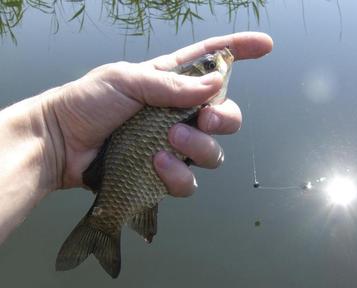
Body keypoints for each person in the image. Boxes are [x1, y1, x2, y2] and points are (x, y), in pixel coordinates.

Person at [0, 32, 273, 244]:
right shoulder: (180, 95)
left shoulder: (194, 102)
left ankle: (122, 214)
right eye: (211, 64)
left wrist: (53, 134)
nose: (219, 62)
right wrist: (54, 131)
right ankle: (106, 223)